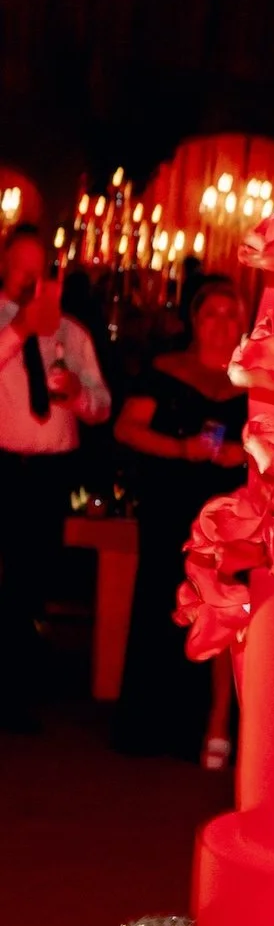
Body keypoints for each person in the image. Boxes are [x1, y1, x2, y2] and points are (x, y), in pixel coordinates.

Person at [112, 274, 248, 764]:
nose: (221, 324)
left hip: (229, 511)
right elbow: (126, 428)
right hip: (171, 502)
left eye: (231, 315)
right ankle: (151, 724)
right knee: (163, 599)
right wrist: (181, 448)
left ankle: (214, 724)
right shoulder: (166, 369)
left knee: (221, 608)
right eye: (212, 313)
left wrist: (243, 453)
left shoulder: (256, 381)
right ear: (195, 321)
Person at [0, 221, 111, 730]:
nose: (29, 279)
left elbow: (103, 405)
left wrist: (78, 396)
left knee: (32, 580)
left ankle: (20, 689)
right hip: (3, 463)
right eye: (20, 268)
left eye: (36, 269)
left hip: (48, 471)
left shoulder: (72, 333)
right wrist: (21, 328)